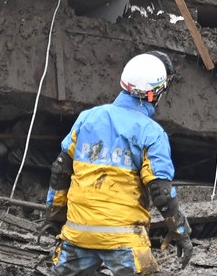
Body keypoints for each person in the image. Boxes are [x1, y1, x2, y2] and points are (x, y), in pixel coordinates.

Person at [45, 51, 193, 275]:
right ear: (155, 93)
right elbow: (161, 192)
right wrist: (180, 231)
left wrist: (54, 217)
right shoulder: (152, 133)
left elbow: (60, 171)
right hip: (125, 240)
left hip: (78, 234)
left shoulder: (87, 118)